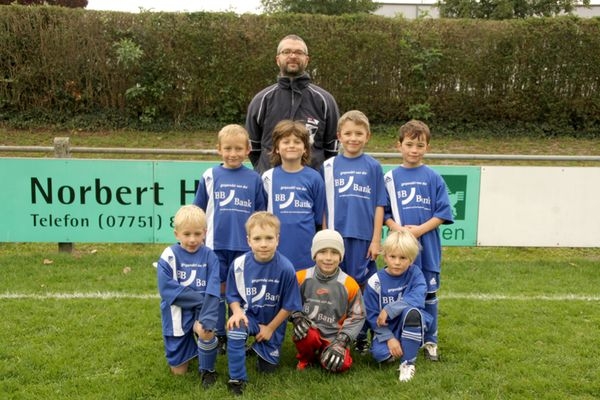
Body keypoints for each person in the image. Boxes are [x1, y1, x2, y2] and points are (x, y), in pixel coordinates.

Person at [383, 119, 454, 362]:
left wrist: (418, 231)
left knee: (429, 295)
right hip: (400, 249)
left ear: (427, 147)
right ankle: (402, 336)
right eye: (409, 144)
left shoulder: (433, 177)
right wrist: (400, 231)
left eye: (420, 145)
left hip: (428, 249)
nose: (414, 150)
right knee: (400, 293)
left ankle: (430, 340)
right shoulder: (390, 178)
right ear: (399, 145)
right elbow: (385, 214)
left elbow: (444, 213)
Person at [193, 124, 267, 355]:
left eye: (238, 149)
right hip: (215, 246)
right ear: (218, 149)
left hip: (244, 248)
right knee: (217, 291)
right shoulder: (209, 176)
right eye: (227, 148)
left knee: (241, 293)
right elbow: (198, 212)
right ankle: (219, 334)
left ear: (248, 150)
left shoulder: (254, 179)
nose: (233, 153)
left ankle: (237, 330)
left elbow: (260, 214)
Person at [321, 109, 387, 353]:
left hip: (362, 238)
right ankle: (335, 334)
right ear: (339, 135)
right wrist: (326, 237)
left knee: (361, 287)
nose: (353, 138)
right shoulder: (328, 166)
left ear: (367, 136)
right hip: (337, 238)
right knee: (337, 287)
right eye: (348, 133)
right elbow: (325, 205)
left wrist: (376, 239)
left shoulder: (373, 166)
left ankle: (360, 336)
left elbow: (380, 204)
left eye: (358, 133)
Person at [225, 211, 302, 395]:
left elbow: (289, 305)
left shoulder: (286, 268)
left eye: (269, 238)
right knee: (236, 329)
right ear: (248, 240)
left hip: (272, 323)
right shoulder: (238, 265)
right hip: (247, 316)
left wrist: (270, 328)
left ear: (277, 239)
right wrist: (236, 312)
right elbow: (232, 295)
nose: (264, 244)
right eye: (257, 238)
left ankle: (258, 348)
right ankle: (237, 378)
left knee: (267, 369)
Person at [246, 34, 340, 174]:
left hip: (312, 185)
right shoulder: (261, 100)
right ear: (278, 59)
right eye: (287, 52)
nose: (293, 56)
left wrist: (315, 173)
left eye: (298, 52)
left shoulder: (325, 100)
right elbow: (253, 147)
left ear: (306, 60)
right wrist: (266, 170)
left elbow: (331, 148)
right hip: (270, 184)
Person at [156, 205, 221, 388]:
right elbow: (166, 289)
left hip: (202, 309)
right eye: (187, 234)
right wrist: (199, 298)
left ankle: (207, 371)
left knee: (207, 329)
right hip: (176, 311)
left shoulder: (210, 256)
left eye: (197, 234)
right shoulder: (169, 255)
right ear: (177, 234)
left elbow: (213, 288)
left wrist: (205, 309)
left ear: (205, 233)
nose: (192, 240)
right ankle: (189, 351)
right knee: (179, 373)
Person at [291, 229, 365, 372]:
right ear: (314, 254)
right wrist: (296, 317)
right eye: (323, 252)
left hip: (335, 337)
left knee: (341, 365)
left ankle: (327, 354)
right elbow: (289, 302)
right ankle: (306, 359)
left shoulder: (349, 284)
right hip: (310, 331)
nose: (328, 258)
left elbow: (357, 316)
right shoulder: (300, 278)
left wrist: (342, 340)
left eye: (334, 252)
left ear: (341, 256)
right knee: (306, 334)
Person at [363, 229, 432, 382]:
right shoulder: (375, 281)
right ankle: (406, 343)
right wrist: (389, 338)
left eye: (403, 258)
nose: (397, 262)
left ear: (412, 259)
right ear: (385, 256)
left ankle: (408, 363)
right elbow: (372, 315)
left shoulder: (415, 273)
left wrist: (390, 309)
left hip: (408, 319)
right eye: (392, 256)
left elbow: (418, 296)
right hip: (386, 328)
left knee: (412, 312)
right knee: (381, 356)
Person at [262, 119, 325, 271]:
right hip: (275, 250)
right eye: (286, 142)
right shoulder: (267, 177)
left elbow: (318, 217)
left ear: (305, 149)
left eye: (297, 142)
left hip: (305, 250)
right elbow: (262, 216)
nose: (291, 145)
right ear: (277, 148)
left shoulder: (314, 178)